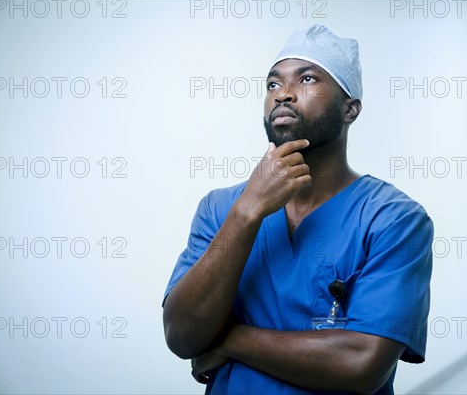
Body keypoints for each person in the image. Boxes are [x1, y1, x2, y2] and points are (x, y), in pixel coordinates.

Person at [162, 25, 434, 394]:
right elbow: (182, 335)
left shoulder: (392, 219)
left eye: (307, 79)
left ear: (349, 109)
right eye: (273, 84)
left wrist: (226, 340)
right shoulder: (221, 208)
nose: (283, 95)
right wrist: (247, 212)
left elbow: (361, 364)